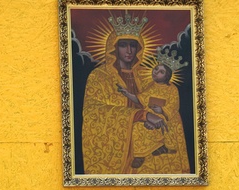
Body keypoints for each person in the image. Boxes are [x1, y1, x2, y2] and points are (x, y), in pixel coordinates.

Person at [81, 14, 189, 175]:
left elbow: (164, 102)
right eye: (123, 45)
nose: (129, 51)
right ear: (114, 47)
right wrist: (140, 115)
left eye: (133, 45)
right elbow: (93, 112)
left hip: (149, 140)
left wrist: (158, 115)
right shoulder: (99, 76)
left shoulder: (147, 78)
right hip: (119, 146)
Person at [116, 49, 190, 172]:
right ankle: (140, 156)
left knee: (155, 128)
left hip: (168, 119)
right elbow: (140, 99)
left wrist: (161, 110)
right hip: (151, 115)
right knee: (137, 128)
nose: (156, 73)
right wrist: (127, 93)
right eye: (156, 69)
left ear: (167, 76)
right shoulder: (151, 86)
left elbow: (174, 106)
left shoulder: (172, 89)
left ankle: (162, 147)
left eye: (161, 72)